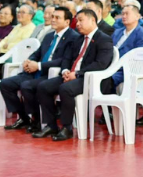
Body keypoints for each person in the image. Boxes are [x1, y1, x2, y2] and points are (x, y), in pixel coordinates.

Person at [33, 9, 114, 141]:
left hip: (90, 79)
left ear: (92, 20)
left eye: (81, 20)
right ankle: (51, 125)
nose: (77, 24)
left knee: (65, 89)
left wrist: (77, 74)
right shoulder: (78, 38)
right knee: (43, 87)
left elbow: (100, 64)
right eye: (77, 21)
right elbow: (67, 58)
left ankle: (67, 128)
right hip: (71, 75)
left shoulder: (104, 39)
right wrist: (65, 71)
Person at [0, 7, 80, 131]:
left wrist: (38, 66)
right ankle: (24, 118)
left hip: (51, 73)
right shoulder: (49, 36)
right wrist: (29, 61)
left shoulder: (73, 37)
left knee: (26, 86)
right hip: (36, 70)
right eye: (52, 17)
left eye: (57, 18)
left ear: (67, 22)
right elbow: (37, 53)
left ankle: (36, 120)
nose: (53, 20)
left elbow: (64, 60)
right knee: (5, 84)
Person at [109, 0, 143, 88]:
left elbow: (140, 59)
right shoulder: (117, 32)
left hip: (125, 71)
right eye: (123, 14)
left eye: (127, 14)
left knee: (105, 81)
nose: (124, 16)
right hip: (110, 66)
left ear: (137, 16)